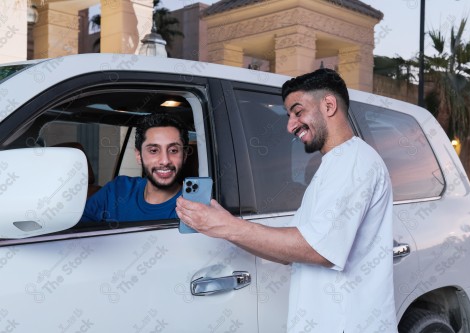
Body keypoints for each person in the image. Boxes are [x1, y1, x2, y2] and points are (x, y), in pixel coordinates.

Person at [176, 68, 398, 333]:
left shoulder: (354, 162)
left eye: (298, 111)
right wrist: (222, 225)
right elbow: (290, 252)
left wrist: (226, 226)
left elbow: (318, 250)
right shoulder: (334, 165)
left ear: (328, 105)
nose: (290, 125)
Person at [80, 113, 189, 223]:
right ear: (138, 156)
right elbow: (75, 230)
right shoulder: (117, 190)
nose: (165, 161)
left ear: (184, 155)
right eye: (154, 151)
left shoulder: (192, 207)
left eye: (173, 151)